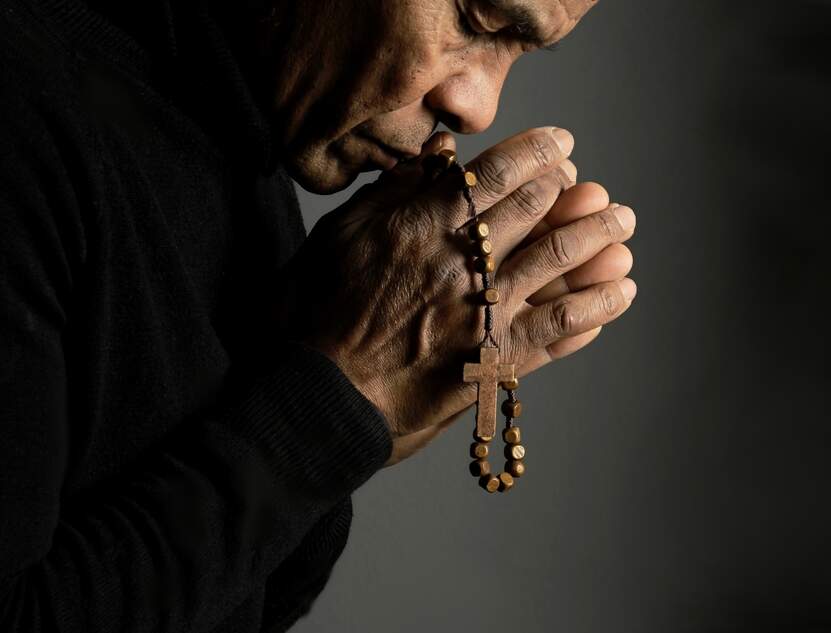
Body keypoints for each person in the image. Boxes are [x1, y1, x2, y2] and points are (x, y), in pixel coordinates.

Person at [0, 0, 635, 631]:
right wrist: (338, 405)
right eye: (476, 21)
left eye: (522, 51)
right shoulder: (21, 111)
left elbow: (248, 612)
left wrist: (329, 416)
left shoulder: (248, 149)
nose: (479, 108)